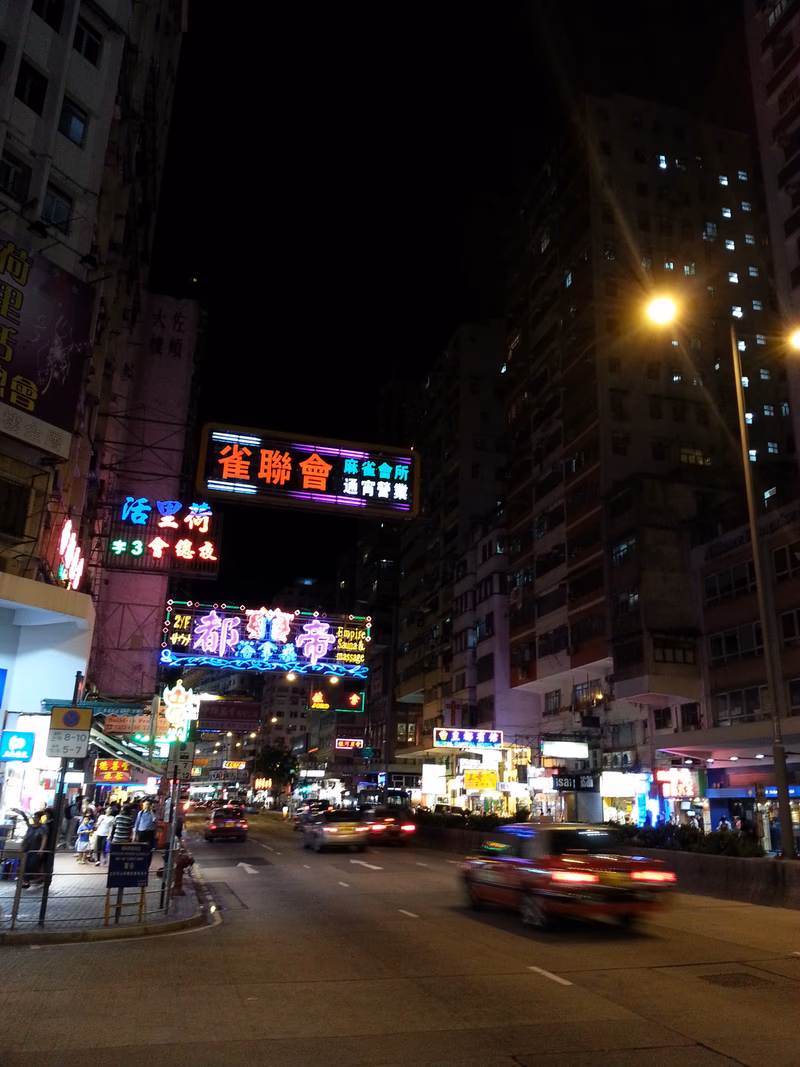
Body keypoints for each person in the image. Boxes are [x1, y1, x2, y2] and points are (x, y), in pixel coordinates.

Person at [20, 812, 46, 889]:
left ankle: (29, 879)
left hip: (35, 849)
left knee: (32, 865)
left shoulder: (42, 828)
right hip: (27, 848)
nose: (35, 819)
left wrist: (41, 849)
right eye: (34, 817)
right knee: (25, 864)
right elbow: (26, 836)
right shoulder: (31, 827)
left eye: (37, 817)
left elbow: (44, 838)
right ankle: (26, 881)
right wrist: (22, 844)